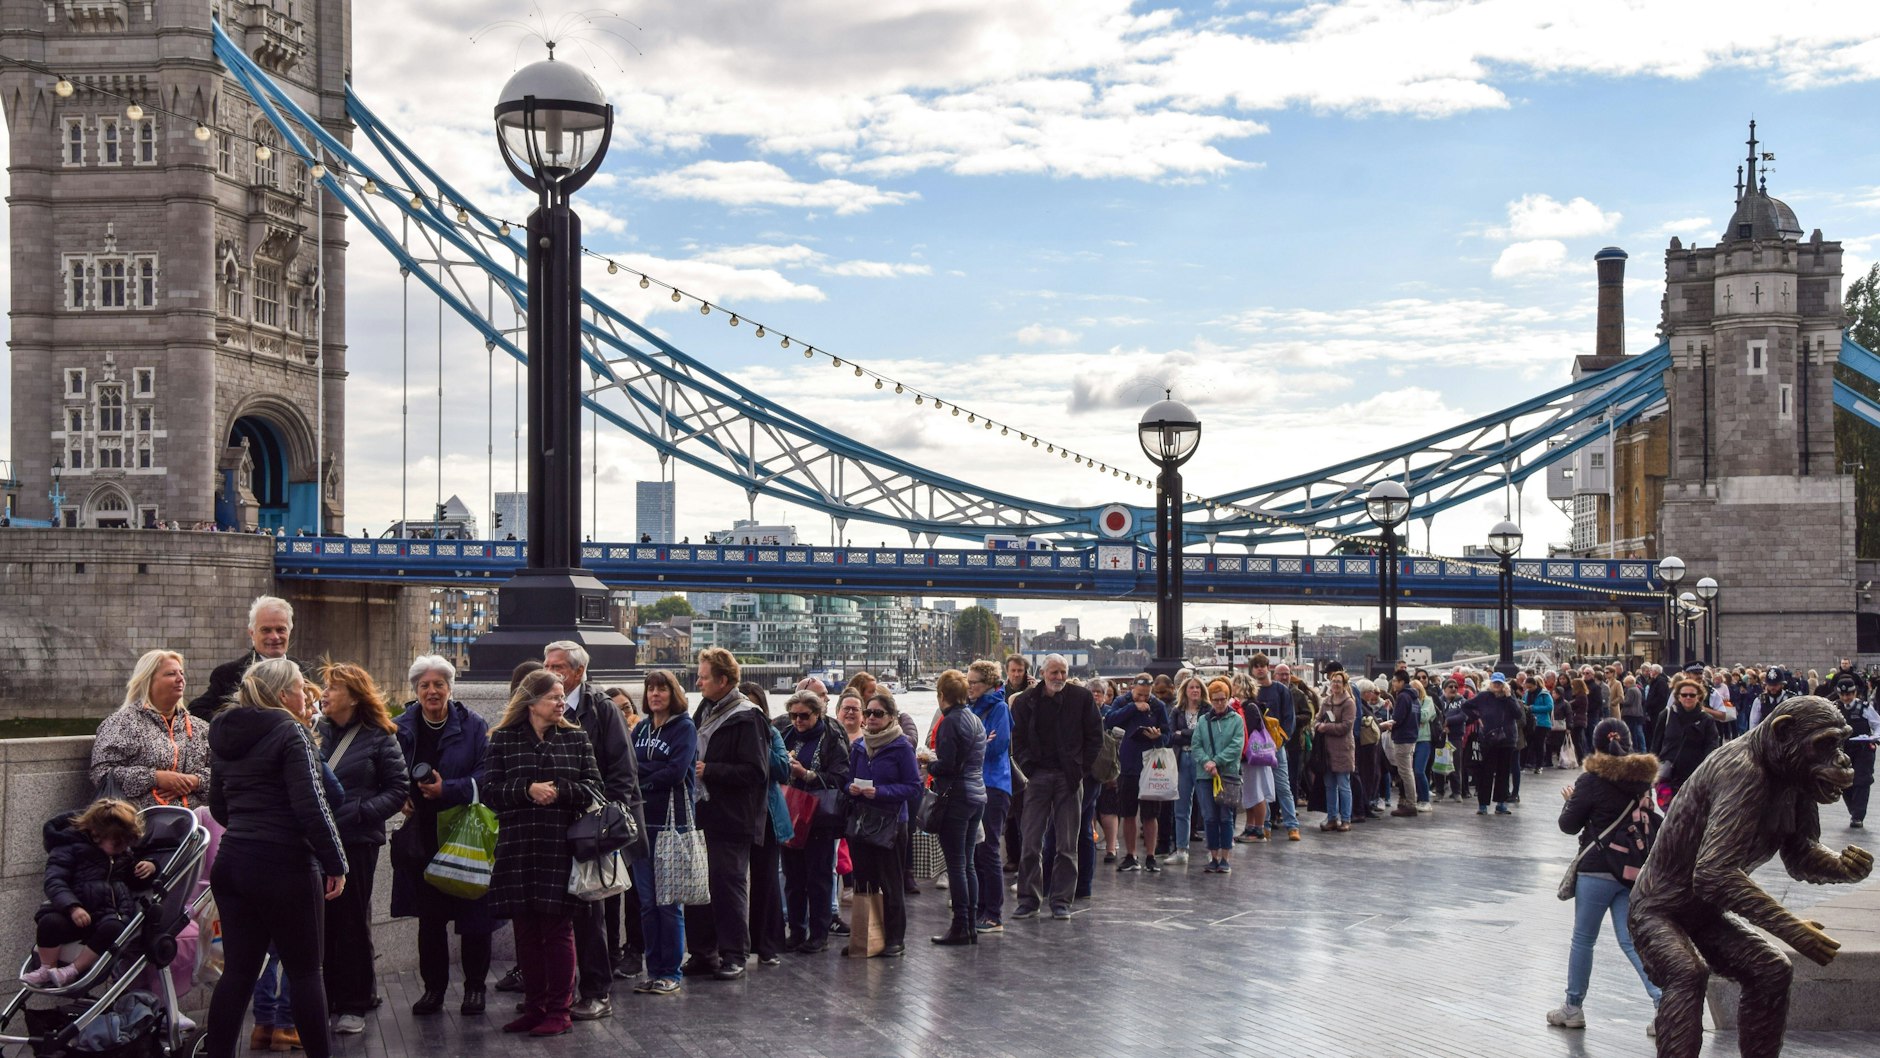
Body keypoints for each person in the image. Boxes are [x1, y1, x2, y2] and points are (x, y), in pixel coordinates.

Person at [202, 657, 347, 1058]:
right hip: (283, 863)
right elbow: (312, 806)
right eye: (301, 687)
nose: (308, 695)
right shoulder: (290, 731)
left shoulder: (224, 732)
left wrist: (250, 825)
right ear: (283, 694)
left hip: (232, 861)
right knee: (305, 972)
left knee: (238, 973)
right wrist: (336, 863)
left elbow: (219, 806)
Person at [485, 669, 604, 1037]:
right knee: (525, 932)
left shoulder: (576, 738)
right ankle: (534, 1007)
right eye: (553, 696)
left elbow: (595, 790)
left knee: (557, 930)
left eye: (562, 695)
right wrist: (526, 790)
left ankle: (559, 1010)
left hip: (560, 847)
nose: (560, 702)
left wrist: (559, 790)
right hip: (518, 847)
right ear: (531, 701)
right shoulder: (502, 739)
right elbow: (490, 792)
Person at [390, 655, 494, 1017]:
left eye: (439, 684)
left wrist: (447, 789)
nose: (432, 691)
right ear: (415, 690)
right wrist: (399, 793)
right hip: (421, 835)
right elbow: (385, 770)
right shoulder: (401, 727)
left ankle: (475, 989)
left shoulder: (473, 725)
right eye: (424, 685)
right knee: (429, 919)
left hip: (463, 831)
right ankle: (433, 990)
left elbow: (487, 775)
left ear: (451, 688)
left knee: (474, 917)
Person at [542, 640, 640, 1021]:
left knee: (591, 912)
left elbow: (622, 771)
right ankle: (554, 992)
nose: (551, 672)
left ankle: (597, 990)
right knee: (551, 913)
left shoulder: (601, 709)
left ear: (579, 672)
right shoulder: (537, 705)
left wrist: (603, 820)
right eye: (547, 665)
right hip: (547, 826)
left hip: (588, 827)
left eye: (559, 667)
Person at [1549, 718, 1663, 1031]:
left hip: (1597, 869)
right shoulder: (1643, 780)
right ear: (1628, 742)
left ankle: (1573, 1008)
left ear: (1596, 745)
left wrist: (1571, 801)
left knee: (1584, 940)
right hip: (1631, 871)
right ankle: (1662, 1002)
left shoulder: (1590, 780)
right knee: (1630, 941)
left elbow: (1569, 825)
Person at [313, 664, 409, 1035]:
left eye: (332, 688)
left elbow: (398, 790)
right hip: (318, 840)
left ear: (353, 696)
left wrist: (359, 812)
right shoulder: (312, 733)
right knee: (320, 922)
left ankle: (354, 1002)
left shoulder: (380, 736)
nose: (324, 694)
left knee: (351, 921)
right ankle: (325, 998)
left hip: (357, 841)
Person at [684, 648, 769, 981]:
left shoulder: (748, 717)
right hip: (703, 813)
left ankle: (734, 954)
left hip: (733, 819)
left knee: (728, 885)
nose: (698, 681)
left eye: (704, 677)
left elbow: (756, 772)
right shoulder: (705, 709)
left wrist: (711, 770)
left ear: (722, 680)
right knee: (699, 886)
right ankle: (702, 952)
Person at [22, 799, 158, 989]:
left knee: (115, 929)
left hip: (107, 913)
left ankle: (72, 970)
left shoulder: (122, 855)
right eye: (118, 843)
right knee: (48, 922)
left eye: (126, 844)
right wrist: (72, 906)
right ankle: (47, 967)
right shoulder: (69, 848)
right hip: (74, 910)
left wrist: (150, 867)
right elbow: (55, 880)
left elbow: (132, 879)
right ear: (96, 835)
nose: (122, 848)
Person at [1010, 654, 1101, 921]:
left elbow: (1095, 736)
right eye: (1054, 672)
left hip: (1069, 778)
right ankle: (1028, 900)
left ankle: (1061, 900)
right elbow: (1017, 738)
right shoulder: (1026, 701)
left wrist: (1080, 768)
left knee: (1067, 844)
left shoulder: (1081, 699)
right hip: (1036, 777)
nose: (1059, 677)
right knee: (1030, 842)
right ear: (1042, 673)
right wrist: (1029, 768)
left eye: (1062, 672)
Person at [628, 669, 697, 993]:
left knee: (668, 902)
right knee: (646, 902)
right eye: (651, 689)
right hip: (641, 826)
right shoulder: (640, 728)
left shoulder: (684, 728)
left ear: (673, 693)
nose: (655, 694)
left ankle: (671, 972)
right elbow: (626, 767)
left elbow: (675, 772)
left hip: (673, 826)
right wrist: (648, 773)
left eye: (662, 689)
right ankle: (653, 970)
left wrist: (644, 777)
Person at [844, 692, 921, 955]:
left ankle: (894, 939)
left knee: (891, 882)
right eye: (869, 713)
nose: (871, 718)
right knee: (863, 881)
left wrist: (882, 792)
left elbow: (913, 786)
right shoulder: (859, 746)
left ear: (890, 717)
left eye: (878, 713)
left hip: (891, 823)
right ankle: (865, 936)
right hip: (863, 820)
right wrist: (851, 788)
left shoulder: (901, 747)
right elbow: (847, 778)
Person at [90, 649, 212, 811]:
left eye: (181, 673)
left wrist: (195, 781)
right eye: (171, 674)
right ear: (148, 681)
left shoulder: (200, 727)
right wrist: (155, 778)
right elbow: (102, 774)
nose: (180, 679)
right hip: (140, 823)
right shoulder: (121, 723)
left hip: (196, 823)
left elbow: (225, 772)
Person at [779, 688, 850, 954]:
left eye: (804, 716)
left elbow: (841, 777)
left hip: (819, 818)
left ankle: (819, 934)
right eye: (793, 716)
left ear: (817, 714)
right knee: (793, 877)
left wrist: (807, 774)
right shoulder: (786, 735)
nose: (798, 721)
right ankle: (796, 931)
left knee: (819, 877)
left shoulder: (831, 737)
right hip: (790, 813)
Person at [925, 671, 987, 946]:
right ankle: (970, 924)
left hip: (956, 798)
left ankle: (960, 924)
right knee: (968, 863)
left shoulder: (949, 722)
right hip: (976, 795)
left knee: (956, 865)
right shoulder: (974, 719)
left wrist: (929, 764)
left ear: (942, 695)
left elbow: (947, 765)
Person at [188, 596, 306, 721]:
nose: (275, 636)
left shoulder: (301, 669)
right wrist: (238, 724)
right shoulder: (229, 673)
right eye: (266, 630)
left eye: (280, 629)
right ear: (252, 633)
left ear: (290, 631)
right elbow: (196, 710)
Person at [964, 660, 1013, 933]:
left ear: (989, 684)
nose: (969, 687)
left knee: (989, 848)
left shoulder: (999, 708)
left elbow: (997, 748)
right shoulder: (971, 709)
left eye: (975, 682)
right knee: (975, 850)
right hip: (974, 784)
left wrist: (975, 744)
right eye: (968, 682)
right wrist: (981, 740)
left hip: (994, 786)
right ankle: (981, 909)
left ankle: (994, 914)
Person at [1103, 674, 1170, 871]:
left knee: (1150, 814)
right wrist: (1133, 707)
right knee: (1128, 812)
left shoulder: (1157, 706)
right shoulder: (1122, 701)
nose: (1143, 699)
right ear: (1133, 689)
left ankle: (1150, 855)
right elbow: (1110, 721)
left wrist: (1157, 737)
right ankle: (1130, 854)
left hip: (1150, 764)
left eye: (1146, 695)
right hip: (1127, 764)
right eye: (1139, 695)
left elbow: (1167, 735)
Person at [1191, 683, 1245, 873]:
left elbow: (1237, 745)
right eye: (1216, 700)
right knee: (1209, 817)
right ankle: (1213, 856)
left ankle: (1225, 858)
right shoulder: (1203, 721)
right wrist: (1207, 762)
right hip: (1205, 775)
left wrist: (1216, 762)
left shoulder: (1236, 720)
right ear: (1211, 700)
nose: (1220, 703)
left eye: (1223, 699)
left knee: (1226, 816)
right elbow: (1196, 745)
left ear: (1228, 697)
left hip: (1227, 774)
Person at [1250, 655, 1301, 839]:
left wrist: (1282, 740)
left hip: (1276, 746)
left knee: (1282, 786)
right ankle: (1265, 824)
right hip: (1257, 746)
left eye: (1262, 666)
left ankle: (1292, 825)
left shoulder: (1280, 690)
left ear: (1267, 667)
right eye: (1256, 667)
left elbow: (1290, 718)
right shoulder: (1252, 691)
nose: (1260, 669)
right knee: (1262, 787)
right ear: (1252, 670)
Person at [1650, 677, 1719, 800]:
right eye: (1684, 694)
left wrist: (1707, 770)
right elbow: (1656, 745)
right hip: (1668, 775)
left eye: (1692, 695)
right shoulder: (1666, 715)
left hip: (1695, 776)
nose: (1688, 698)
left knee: (1692, 815)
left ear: (1699, 697)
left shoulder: (1706, 719)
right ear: (1678, 696)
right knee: (1670, 814)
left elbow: (1712, 746)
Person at [1468, 673, 1522, 815]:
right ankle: (1483, 804)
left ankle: (1501, 803)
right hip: (1489, 739)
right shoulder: (1484, 696)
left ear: (1504, 684)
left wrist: (1509, 697)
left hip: (1507, 739)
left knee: (1503, 773)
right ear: (1491, 683)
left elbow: (1518, 714)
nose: (1497, 685)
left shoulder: (1510, 698)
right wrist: (1477, 717)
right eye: (1495, 683)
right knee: (1486, 772)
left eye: (1500, 683)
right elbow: (1466, 706)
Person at [1831, 675, 1880, 828]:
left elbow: (1877, 724)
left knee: (1861, 781)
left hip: (1863, 749)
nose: (1846, 698)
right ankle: (1854, 810)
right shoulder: (1834, 709)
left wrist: (1874, 737)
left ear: (1855, 693)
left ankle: (1858, 815)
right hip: (1842, 750)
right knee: (1845, 782)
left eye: (1849, 694)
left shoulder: (1864, 708)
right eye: (1843, 695)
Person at [1168, 676, 1207, 865]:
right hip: (1182, 759)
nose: (1195, 691)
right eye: (1191, 687)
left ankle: (1213, 849)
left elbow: (1203, 735)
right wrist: (1189, 735)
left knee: (1207, 806)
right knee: (1181, 807)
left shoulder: (1207, 710)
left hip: (1201, 760)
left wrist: (1182, 733)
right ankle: (1181, 849)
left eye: (1198, 687)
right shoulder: (1177, 711)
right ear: (1185, 690)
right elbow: (1170, 736)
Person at [1316, 670, 1357, 831]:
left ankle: (1346, 818)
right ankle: (1332, 817)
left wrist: (1325, 727)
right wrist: (1318, 725)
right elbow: (1317, 718)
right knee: (1329, 785)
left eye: (1339, 681)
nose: (1335, 684)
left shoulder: (1349, 703)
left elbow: (1346, 727)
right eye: (1333, 681)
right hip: (1326, 751)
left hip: (1343, 749)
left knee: (1343, 785)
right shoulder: (1326, 701)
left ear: (1345, 684)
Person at [1384, 671, 1421, 817]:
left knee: (1405, 772)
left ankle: (1411, 803)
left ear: (1401, 682)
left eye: (1395, 681)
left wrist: (1389, 723)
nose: (1393, 684)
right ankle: (1410, 801)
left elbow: (1398, 718)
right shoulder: (1414, 697)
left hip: (1403, 738)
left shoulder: (1403, 696)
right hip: (1412, 736)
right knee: (1408, 771)